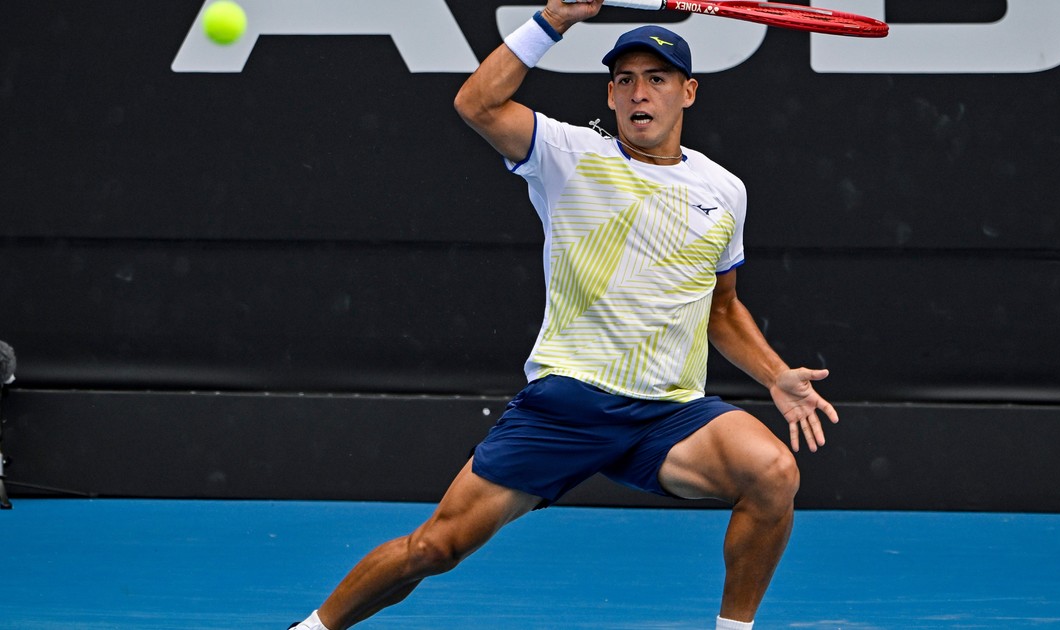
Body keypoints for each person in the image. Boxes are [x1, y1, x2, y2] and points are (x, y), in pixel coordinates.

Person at [290, 2, 838, 628]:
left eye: (657, 79)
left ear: (688, 92)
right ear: (610, 95)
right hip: (570, 406)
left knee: (772, 473)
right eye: (625, 80)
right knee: (435, 548)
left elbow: (722, 305)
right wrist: (553, 19)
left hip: (668, 415)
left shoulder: (725, 190)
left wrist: (774, 375)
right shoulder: (567, 153)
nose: (640, 93)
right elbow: (476, 104)